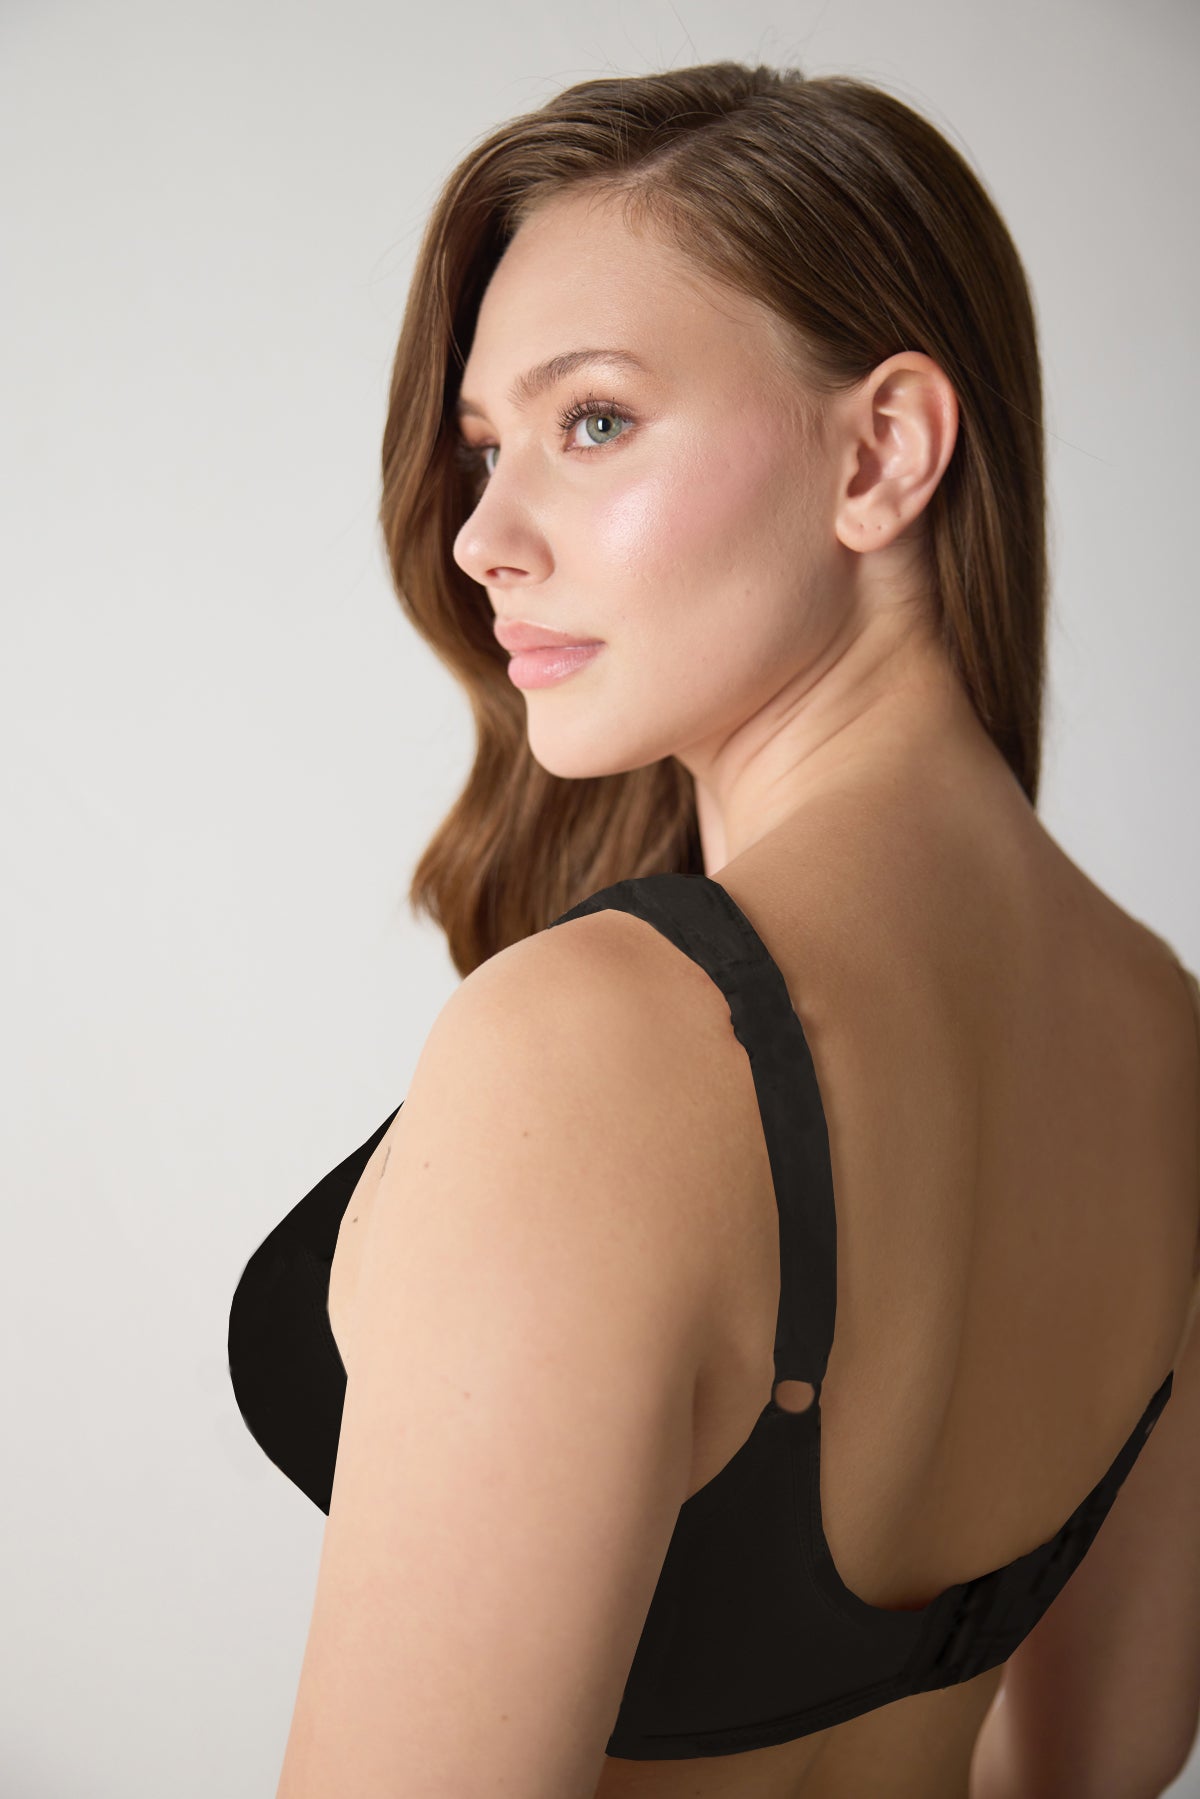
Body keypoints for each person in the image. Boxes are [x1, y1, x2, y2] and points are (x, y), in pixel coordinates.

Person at [228, 61, 1200, 1798]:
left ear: (881, 453)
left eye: (593, 421)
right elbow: (1097, 1768)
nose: (483, 537)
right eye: (485, 447)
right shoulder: (1169, 1047)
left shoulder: (594, 1050)